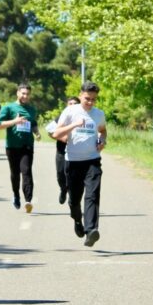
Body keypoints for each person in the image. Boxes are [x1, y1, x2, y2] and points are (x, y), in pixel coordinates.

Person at [51, 81, 107, 247]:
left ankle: (91, 231)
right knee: (74, 199)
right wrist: (74, 124)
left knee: (93, 195)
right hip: (74, 162)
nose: (90, 102)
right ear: (81, 95)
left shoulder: (99, 114)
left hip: (93, 160)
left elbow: (103, 130)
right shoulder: (70, 111)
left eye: (94, 99)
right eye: (87, 99)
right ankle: (77, 220)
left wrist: (102, 141)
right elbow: (56, 133)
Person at [0, 84, 40, 213]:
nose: (25, 96)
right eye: (23, 93)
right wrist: (15, 121)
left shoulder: (31, 110)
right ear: (18, 93)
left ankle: (28, 200)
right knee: (15, 174)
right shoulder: (8, 108)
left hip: (27, 146)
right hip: (12, 146)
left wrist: (36, 133)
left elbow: (33, 123)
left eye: (27, 94)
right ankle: (16, 195)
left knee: (26, 171)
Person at [46, 97, 82, 205]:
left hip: (76, 154)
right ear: (67, 105)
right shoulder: (62, 117)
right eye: (70, 103)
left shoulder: (83, 117)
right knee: (60, 175)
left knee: (73, 177)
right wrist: (63, 139)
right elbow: (50, 131)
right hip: (62, 152)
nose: (72, 105)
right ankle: (63, 189)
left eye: (75, 104)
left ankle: (73, 199)